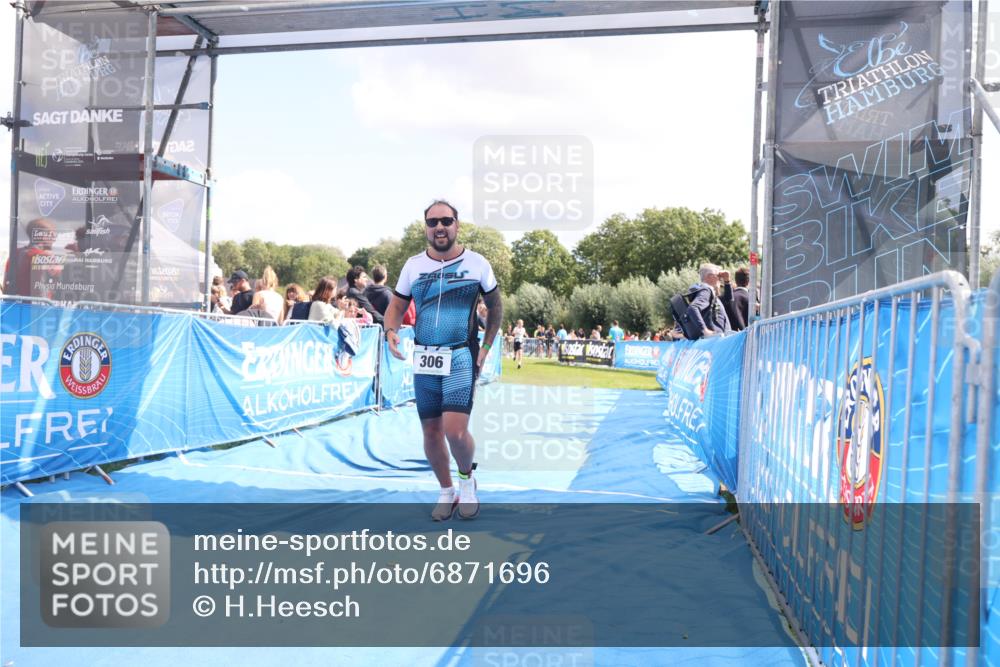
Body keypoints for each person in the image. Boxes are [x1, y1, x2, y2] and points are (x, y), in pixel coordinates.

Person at [383, 199, 502, 521]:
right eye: (433, 222)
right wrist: (391, 331)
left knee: (455, 430)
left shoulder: (477, 263)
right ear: (426, 227)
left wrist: (486, 347)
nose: (439, 227)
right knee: (432, 431)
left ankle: (466, 479)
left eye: (446, 221)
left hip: (461, 354)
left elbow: (496, 307)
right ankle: (446, 490)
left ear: (456, 225)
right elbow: (396, 306)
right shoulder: (413, 266)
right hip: (424, 357)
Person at [3, 218, 62, 297]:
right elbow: (60, 282)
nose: (54, 239)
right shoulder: (45, 257)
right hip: (40, 303)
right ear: (41, 235)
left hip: (15, 302)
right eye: (52, 234)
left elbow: (7, 281)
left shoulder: (15, 254)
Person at [685, 263, 731, 338]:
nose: (720, 279)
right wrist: (704, 330)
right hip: (716, 339)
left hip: (717, 338)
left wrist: (727, 281)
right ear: (709, 276)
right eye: (718, 275)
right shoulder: (706, 290)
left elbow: (728, 300)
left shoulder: (707, 291)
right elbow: (693, 308)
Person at [720, 267, 751, 331]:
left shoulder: (724, 297)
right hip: (744, 334)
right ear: (748, 281)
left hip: (726, 333)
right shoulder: (750, 298)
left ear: (736, 280)